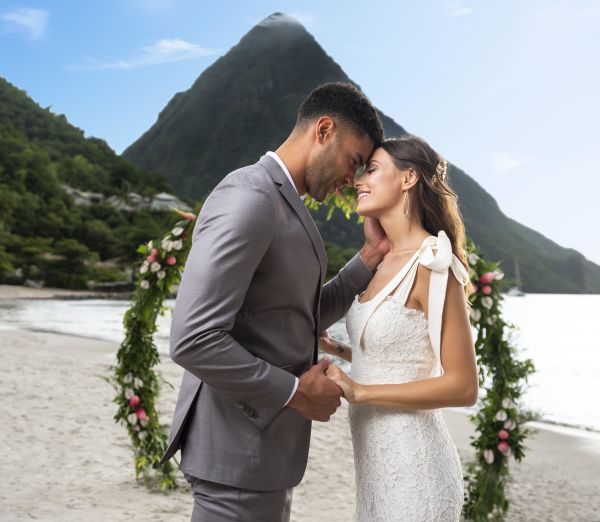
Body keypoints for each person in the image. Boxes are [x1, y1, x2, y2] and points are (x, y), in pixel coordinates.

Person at [159, 82, 389, 521]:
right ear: (324, 130)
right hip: (235, 452)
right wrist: (295, 392)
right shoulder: (250, 196)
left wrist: (368, 259)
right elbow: (193, 339)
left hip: (258, 456)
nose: (352, 179)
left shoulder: (283, 204)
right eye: (354, 161)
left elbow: (291, 317)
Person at [320, 134, 479, 521]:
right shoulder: (383, 261)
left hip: (416, 470)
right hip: (376, 469)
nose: (359, 180)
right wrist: (339, 350)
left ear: (408, 179)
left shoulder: (432, 264)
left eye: (372, 170)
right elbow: (401, 354)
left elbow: (463, 386)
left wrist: (359, 390)